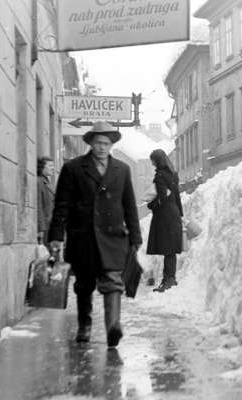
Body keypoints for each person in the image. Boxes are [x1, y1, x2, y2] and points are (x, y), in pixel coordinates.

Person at [48, 121, 142, 347]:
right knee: (84, 284)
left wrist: (136, 237)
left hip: (113, 237)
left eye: (106, 143)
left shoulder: (122, 169)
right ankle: (85, 325)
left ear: (111, 145)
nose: (102, 147)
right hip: (84, 237)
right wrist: (56, 236)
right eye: (98, 143)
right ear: (90, 143)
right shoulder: (73, 168)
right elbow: (62, 204)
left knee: (113, 281)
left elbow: (129, 205)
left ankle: (113, 327)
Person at [146, 149, 183, 293]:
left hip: (165, 214)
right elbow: (176, 196)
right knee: (171, 249)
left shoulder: (160, 175)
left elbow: (162, 198)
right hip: (173, 213)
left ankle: (168, 280)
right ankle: (170, 278)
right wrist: (180, 213)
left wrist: (151, 205)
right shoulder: (173, 174)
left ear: (156, 160)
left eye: (152, 160)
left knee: (168, 248)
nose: (151, 163)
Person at [37, 156, 55, 245]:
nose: (53, 168)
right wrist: (41, 228)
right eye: (50, 166)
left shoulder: (47, 182)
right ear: (42, 167)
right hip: (46, 227)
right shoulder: (39, 182)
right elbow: (39, 206)